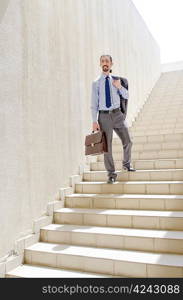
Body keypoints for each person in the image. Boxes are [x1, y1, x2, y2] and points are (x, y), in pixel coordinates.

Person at [91, 54, 136, 184]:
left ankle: (126, 164)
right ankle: (111, 174)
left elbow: (126, 95)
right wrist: (94, 121)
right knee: (107, 148)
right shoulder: (96, 83)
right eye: (102, 61)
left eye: (107, 61)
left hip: (117, 115)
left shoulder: (117, 80)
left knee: (128, 140)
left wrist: (119, 87)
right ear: (100, 64)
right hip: (104, 116)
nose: (105, 63)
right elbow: (94, 104)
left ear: (111, 64)